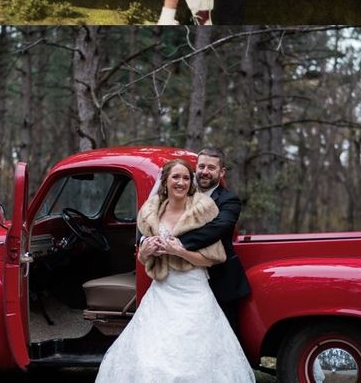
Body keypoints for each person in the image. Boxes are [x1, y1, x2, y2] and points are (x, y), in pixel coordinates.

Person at [95, 160, 255, 382]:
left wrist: (180, 252)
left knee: (197, 353)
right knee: (152, 353)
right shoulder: (151, 211)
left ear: (191, 183)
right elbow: (142, 258)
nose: (181, 182)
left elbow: (212, 258)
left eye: (186, 178)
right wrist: (146, 250)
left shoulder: (202, 211)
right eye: (176, 177)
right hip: (162, 289)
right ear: (165, 181)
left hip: (193, 288)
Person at [178, 149, 251, 332]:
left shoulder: (229, 199)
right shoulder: (182, 194)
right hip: (184, 279)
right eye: (201, 166)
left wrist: (176, 243)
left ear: (221, 172)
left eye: (211, 167)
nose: (204, 171)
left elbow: (217, 228)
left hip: (220, 279)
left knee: (224, 332)